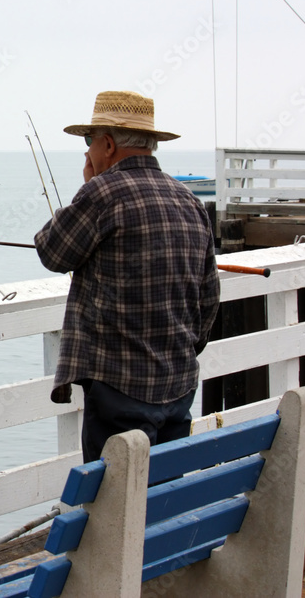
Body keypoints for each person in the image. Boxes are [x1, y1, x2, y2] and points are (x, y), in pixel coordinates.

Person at [34, 90, 220, 463]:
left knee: (114, 507)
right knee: (162, 501)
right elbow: (208, 298)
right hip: (179, 385)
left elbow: (51, 252)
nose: (86, 152)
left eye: (89, 141)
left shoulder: (102, 194)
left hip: (118, 389)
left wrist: (87, 187)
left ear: (107, 144)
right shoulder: (190, 202)